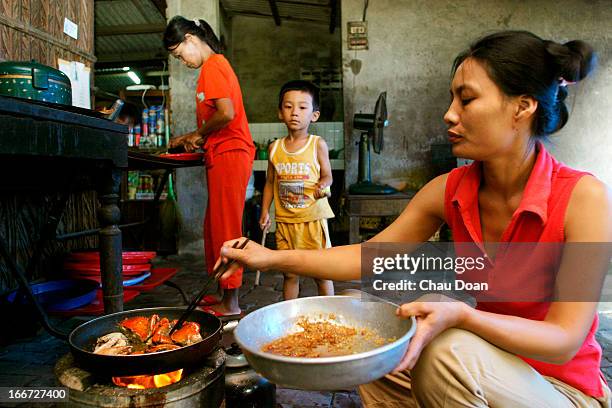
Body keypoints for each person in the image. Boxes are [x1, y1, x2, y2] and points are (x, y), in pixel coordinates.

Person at [215, 30, 612, 407]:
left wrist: (463, 315)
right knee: (366, 331)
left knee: (445, 349)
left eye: (466, 100)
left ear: (522, 107)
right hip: (489, 364)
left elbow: (564, 339)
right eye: (451, 100)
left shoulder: (583, 198)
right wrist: (269, 258)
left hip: (562, 391)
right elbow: (369, 258)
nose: (449, 115)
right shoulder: (449, 190)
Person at [164, 16, 255, 316]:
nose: (182, 61)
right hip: (222, 153)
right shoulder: (213, 68)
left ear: (191, 38)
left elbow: (226, 114)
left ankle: (232, 304)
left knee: (227, 228)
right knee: (214, 227)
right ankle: (222, 294)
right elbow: (217, 120)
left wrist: (197, 134)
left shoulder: (213, 65)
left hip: (231, 153)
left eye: (179, 54)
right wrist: (190, 139)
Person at [259, 80, 335, 300]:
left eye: (302, 107)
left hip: (311, 220)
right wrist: (265, 211)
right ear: (280, 113)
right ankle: (289, 318)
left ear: (314, 115)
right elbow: (270, 183)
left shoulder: (317, 144)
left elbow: (327, 174)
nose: (295, 113)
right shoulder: (274, 148)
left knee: (322, 273)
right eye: (288, 106)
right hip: (285, 222)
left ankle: (329, 315)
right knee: (290, 274)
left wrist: (324, 184)